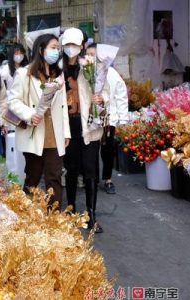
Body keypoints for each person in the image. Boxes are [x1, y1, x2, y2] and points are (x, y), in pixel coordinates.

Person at [8, 34, 70, 208]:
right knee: (33, 177)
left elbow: (63, 106)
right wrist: (29, 114)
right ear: (41, 50)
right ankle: (27, 215)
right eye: (53, 47)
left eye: (58, 48)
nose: (56, 51)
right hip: (34, 132)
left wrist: (65, 133)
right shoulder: (24, 73)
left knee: (55, 177)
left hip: (54, 134)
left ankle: (54, 217)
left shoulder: (58, 75)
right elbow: (13, 101)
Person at [61, 28, 109, 233]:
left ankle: (91, 215)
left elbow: (105, 91)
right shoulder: (56, 69)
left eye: (75, 45)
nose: (71, 49)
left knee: (90, 171)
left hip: (89, 126)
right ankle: (70, 211)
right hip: (67, 126)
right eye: (67, 45)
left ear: (81, 46)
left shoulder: (91, 66)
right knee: (71, 170)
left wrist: (101, 98)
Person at [86, 43, 129, 194]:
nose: (91, 58)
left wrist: (123, 120)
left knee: (107, 150)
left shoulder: (111, 73)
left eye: (94, 55)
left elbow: (121, 97)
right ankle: (93, 178)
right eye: (88, 55)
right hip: (90, 119)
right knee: (91, 150)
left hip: (108, 120)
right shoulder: (85, 73)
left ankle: (108, 178)